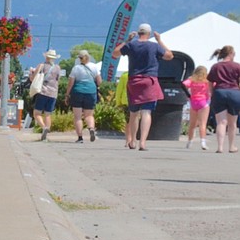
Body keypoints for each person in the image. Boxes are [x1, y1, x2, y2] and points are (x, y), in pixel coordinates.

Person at [112, 23, 173, 151]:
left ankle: (133, 141)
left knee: (134, 113)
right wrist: (159, 40)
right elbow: (169, 56)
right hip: (149, 81)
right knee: (146, 112)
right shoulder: (154, 46)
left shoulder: (131, 45)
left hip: (134, 81)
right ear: (149, 34)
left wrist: (127, 40)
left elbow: (115, 54)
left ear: (138, 33)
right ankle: (143, 143)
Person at [206, 45, 240, 154]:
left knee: (221, 122)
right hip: (234, 92)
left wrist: (211, 93)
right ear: (230, 54)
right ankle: (231, 146)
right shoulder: (237, 66)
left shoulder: (216, 66)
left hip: (219, 92)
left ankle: (220, 147)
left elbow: (210, 82)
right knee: (232, 123)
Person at [65, 49, 102, 142]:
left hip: (78, 92)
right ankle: (91, 128)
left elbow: (70, 83)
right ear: (89, 57)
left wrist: (67, 94)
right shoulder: (94, 67)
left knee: (77, 117)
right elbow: (99, 81)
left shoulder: (76, 68)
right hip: (91, 92)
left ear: (79, 58)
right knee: (89, 115)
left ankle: (80, 137)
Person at [28, 49, 61, 140]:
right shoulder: (58, 68)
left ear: (46, 57)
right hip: (53, 93)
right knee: (48, 114)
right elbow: (58, 80)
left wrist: (31, 73)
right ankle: (46, 133)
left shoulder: (41, 66)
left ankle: (44, 128)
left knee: (37, 113)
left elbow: (33, 79)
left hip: (43, 92)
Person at [182, 65, 211, 150]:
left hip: (193, 102)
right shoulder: (207, 81)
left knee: (192, 124)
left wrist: (188, 95)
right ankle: (203, 142)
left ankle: (189, 142)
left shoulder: (191, 79)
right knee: (202, 124)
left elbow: (183, 85)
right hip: (203, 102)